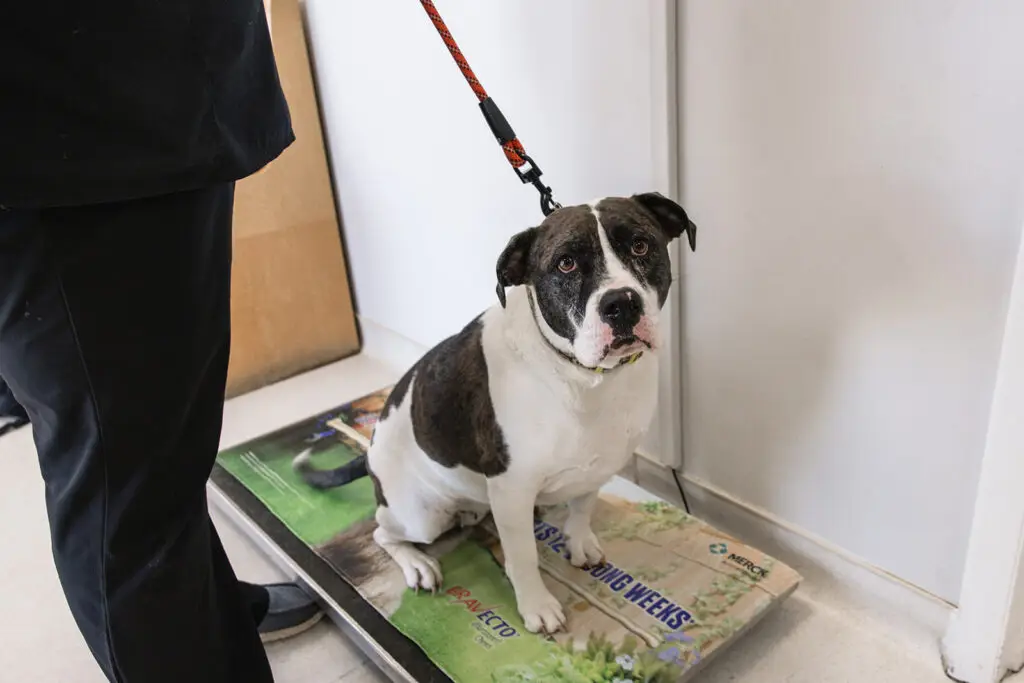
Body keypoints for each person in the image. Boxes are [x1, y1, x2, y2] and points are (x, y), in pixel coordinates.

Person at [0, 0, 322, 681]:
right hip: (80, 118)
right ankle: (181, 639)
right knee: (126, 494)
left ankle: (203, 613)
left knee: (156, 448)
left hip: (130, 97)